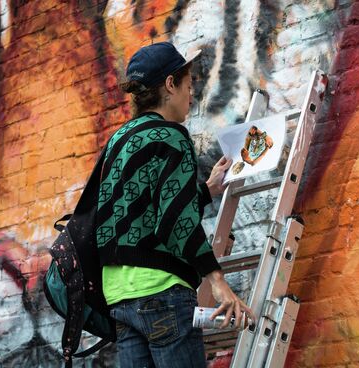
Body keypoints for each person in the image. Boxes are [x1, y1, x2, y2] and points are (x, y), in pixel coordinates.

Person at [95, 42, 254, 368]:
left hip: (120, 297)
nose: (191, 94)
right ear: (170, 84)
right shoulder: (171, 136)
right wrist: (218, 281)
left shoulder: (119, 140)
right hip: (162, 294)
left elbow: (142, 214)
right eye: (189, 83)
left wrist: (207, 191)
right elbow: (173, 223)